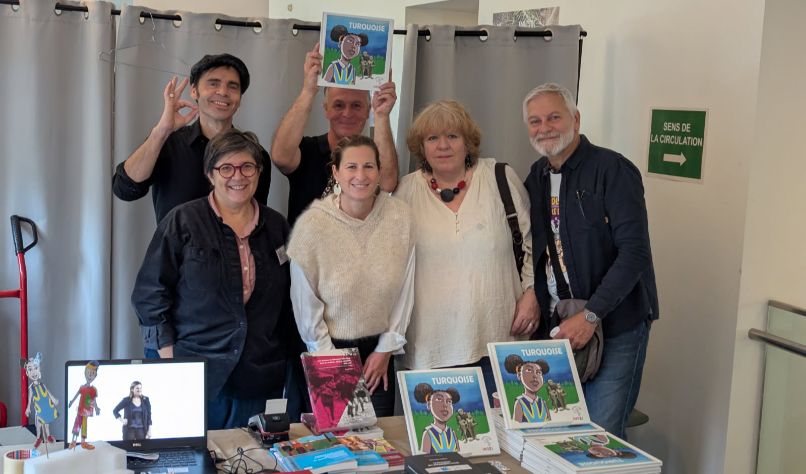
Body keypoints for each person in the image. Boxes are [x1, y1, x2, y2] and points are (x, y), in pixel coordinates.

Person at [131, 129, 298, 429]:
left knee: (252, 454)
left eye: (247, 167)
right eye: (226, 168)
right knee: (194, 455)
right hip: (194, 376)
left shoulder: (277, 227)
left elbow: (290, 302)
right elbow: (149, 295)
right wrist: (170, 359)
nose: (238, 176)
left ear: (259, 172)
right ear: (210, 174)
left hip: (258, 380)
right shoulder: (182, 221)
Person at [522, 83, 658, 439]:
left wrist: (592, 314)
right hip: (561, 324)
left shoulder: (613, 170)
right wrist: (532, 294)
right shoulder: (536, 176)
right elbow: (537, 249)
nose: (545, 128)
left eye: (554, 117)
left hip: (615, 325)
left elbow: (635, 253)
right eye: (535, 121)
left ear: (576, 119)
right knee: (558, 431)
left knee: (601, 435)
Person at [395, 100, 537, 402]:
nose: (443, 145)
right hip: (431, 348)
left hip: (500, 341)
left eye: (452, 136)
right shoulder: (405, 192)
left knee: (504, 429)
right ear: (421, 147)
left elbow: (533, 244)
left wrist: (532, 292)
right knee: (441, 429)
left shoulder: (500, 177)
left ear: (467, 142)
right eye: (432, 138)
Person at [287, 135, 414, 417]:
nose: (361, 175)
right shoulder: (312, 225)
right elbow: (305, 304)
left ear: (379, 171)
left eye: (368, 166)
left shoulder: (400, 220)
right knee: (335, 439)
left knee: (378, 440)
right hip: (327, 350)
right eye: (351, 167)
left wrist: (385, 350)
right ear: (336, 172)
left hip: (378, 354)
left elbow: (404, 291)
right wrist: (332, 363)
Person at [112, 53, 271, 224]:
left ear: (240, 98)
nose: (223, 92)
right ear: (194, 91)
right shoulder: (167, 143)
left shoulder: (255, 155)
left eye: (232, 86)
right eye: (213, 83)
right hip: (175, 242)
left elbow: (257, 220)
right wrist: (162, 131)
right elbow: (125, 189)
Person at [271, 43, 398, 226]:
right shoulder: (308, 150)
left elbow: (387, 184)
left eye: (356, 105)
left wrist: (381, 115)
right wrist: (308, 91)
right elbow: (280, 157)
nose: (347, 113)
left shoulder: (373, 157)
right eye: (338, 105)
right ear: (326, 109)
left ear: (367, 110)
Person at [413, 383, 460, 454]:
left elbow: (458, 453)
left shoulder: (452, 432)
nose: (445, 405)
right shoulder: (428, 433)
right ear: (429, 405)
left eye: (449, 401)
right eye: (439, 399)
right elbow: (424, 457)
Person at [504, 354, 551, 423]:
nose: (535, 376)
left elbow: (550, 422)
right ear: (519, 375)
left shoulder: (543, 402)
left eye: (538, 372)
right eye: (529, 370)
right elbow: (516, 425)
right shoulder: (520, 403)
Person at [68, 360, 100, 450]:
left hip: (87, 411)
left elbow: (94, 400)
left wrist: (96, 408)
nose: (90, 375)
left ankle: (83, 442)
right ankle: (73, 441)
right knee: (77, 424)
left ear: (95, 376)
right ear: (85, 372)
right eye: (89, 373)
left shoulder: (93, 390)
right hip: (80, 410)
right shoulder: (82, 387)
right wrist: (71, 402)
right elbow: (76, 395)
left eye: (92, 374)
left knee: (84, 426)